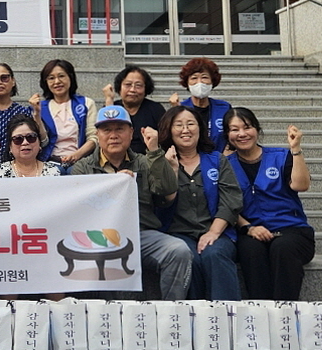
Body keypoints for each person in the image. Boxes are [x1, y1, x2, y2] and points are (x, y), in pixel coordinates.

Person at [70, 104, 191, 300]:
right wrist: (113, 185)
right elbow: (79, 210)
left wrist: (154, 151)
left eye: (120, 129)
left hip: (142, 233)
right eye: (107, 130)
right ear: (98, 135)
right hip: (100, 238)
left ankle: (172, 311)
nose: (113, 135)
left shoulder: (145, 161)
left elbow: (168, 190)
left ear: (131, 132)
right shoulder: (83, 167)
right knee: (116, 255)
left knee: (179, 250)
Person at [224, 107, 315, 301]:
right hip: (251, 231)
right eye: (234, 129)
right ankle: (260, 311)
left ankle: (285, 314)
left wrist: (296, 149)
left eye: (247, 127)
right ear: (227, 135)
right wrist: (249, 228)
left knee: (282, 247)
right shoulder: (225, 165)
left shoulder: (281, 156)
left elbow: (301, 185)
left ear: (257, 129)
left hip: (292, 230)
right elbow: (225, 203)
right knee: (250, 250)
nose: (241, 134)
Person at [155, 105, 243, 300]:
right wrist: (172, 172)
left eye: (190, 124)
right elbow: (160, 202)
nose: (185, 130)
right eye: (178, 125)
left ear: (200, 128)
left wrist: (213, 232)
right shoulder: (159, 161)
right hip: (176, 233)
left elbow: (231, 199)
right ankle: (193, 319)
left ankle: (227, 315)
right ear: (169, 130)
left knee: (215, 254)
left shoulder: (217, 160)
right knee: (188, 257)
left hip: (217, 232)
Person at [38, 58, 97, 169]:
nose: (57, 82)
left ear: (71, 77)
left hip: (80, 162)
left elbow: (94, 138)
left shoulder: (86, 103)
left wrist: (76, 155)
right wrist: (36, 114)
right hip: (49, 164)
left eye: (61, 76)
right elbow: (41, 141)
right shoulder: (40, 108)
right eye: (51, 78)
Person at [171, 57, 231, 152]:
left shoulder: (224, 107)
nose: (199, 82)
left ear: (212, 81)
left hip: (220, 161)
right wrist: (175, 110)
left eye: (204, 77)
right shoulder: (181, 108)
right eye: (194, 78)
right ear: (187, 83)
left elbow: (231, 134)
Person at [103, 65, 166, 155]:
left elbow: (165, 139)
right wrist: (109, 100)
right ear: (119, 87)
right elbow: (105, 134)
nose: (132, 90)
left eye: (138, 85)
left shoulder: (156, 109)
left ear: (145, 89)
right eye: (128, 85)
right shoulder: (112, 107)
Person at [0, 115, 62, 179]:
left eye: (31, 137)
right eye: (18, 139)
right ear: (10, 147)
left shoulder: (53, 171)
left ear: (39, 143)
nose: (25, 142)